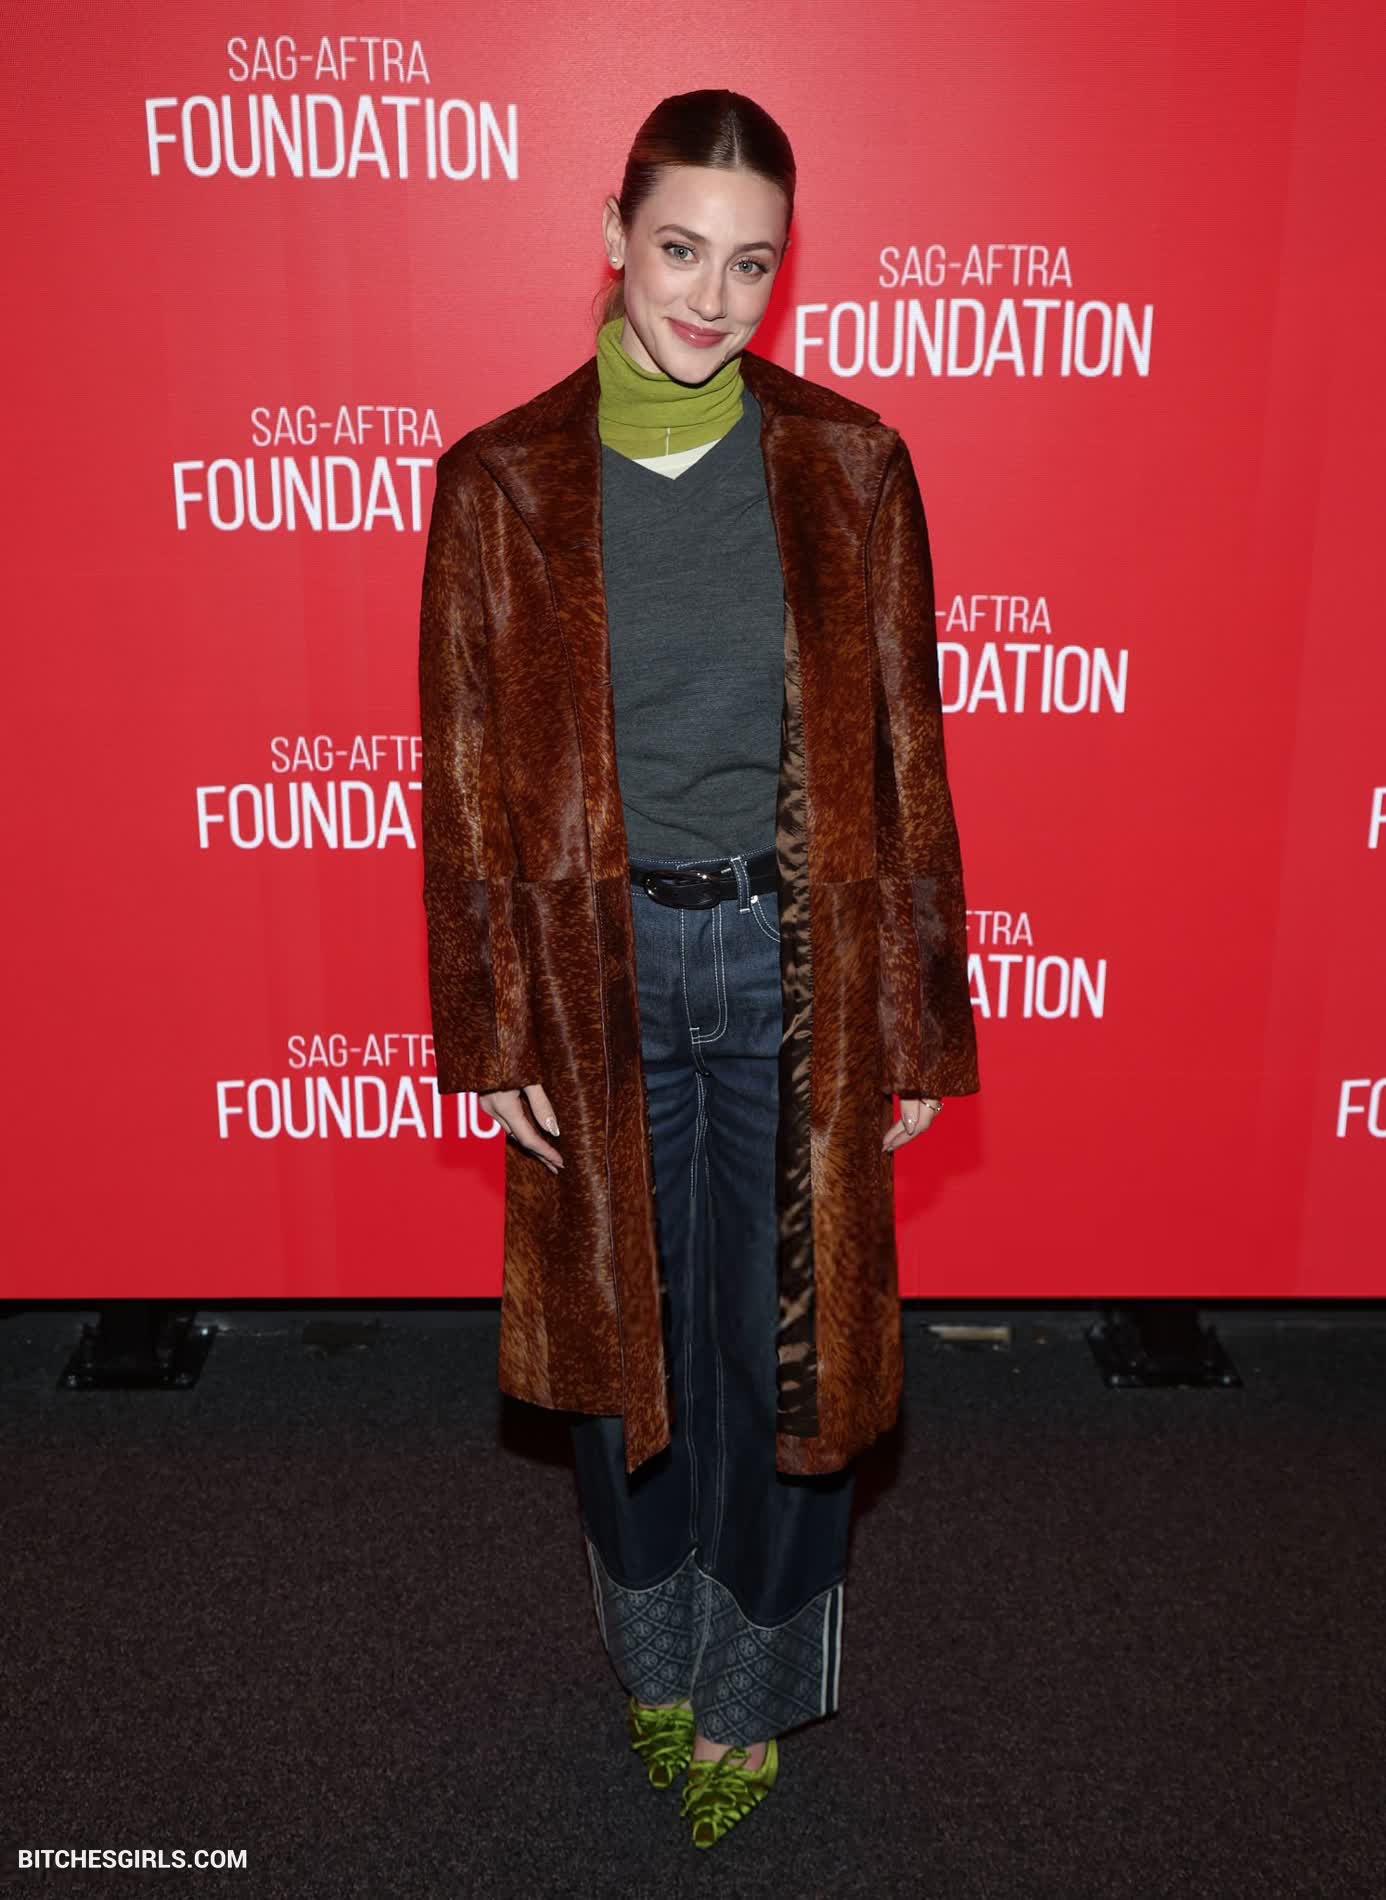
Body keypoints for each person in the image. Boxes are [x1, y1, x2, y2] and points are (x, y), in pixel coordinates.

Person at [418, 88, 980, 1850]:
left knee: (790, 1366)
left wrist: (914, 1018)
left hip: (795, 965)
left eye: (749, 263)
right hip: (599, 981)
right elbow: (463, 778)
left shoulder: (849, 465)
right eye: (679, 250)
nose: (710, 296)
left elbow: (905, 755)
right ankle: (659, 1664)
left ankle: (751, 1695)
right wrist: (493, 1022)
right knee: (623, 1346)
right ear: (613, 239)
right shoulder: (503, 481)